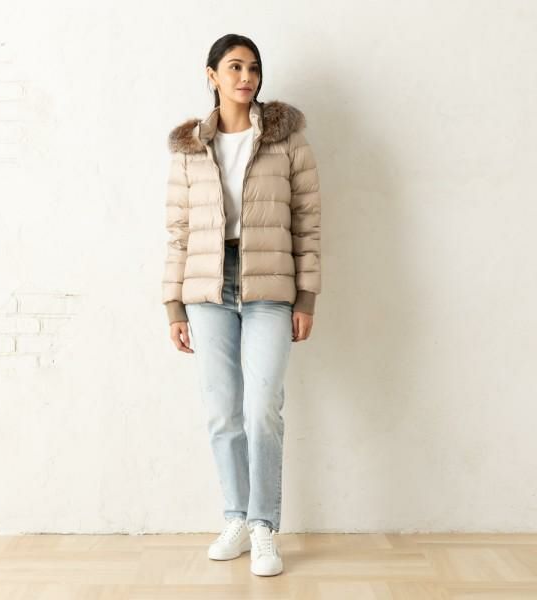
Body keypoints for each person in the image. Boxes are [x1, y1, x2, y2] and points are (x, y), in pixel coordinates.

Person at [161, 34, 321, 577]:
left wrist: (306, 295)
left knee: (262, 407)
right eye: (234, 67)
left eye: (253, 67)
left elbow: (307, 221)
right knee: (222, 411)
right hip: (207, 288)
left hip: (270, 285)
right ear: (211, 75)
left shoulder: (286, 139)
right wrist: (173, 305)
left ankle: (263, 526)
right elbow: (178, 231)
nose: (246, 77)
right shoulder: (190, 147)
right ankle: (235, 516)